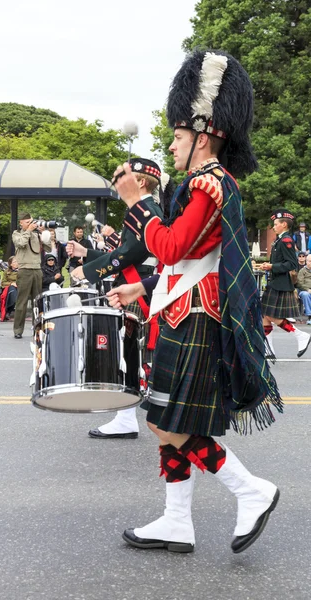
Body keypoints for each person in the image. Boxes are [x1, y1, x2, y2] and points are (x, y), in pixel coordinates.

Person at [107, 50, 282, 554]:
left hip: (195, 318)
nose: (171, 143)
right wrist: (143, 287)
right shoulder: (200, 184)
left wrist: (136, 202)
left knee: (167, 422)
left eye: (178, 136)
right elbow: (187, 258)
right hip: (182, 309)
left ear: (202, 136)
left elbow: (170, 246)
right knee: (167, 424)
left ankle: (252, 491)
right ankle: (175, 521)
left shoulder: (209, 184)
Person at [67, 158, 164, 439]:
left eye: (124, 177)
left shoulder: (146, 209)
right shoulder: (144, 208)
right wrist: (87, 255)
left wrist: (86, 271)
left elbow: (129, 255)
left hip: (137, 286)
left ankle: (135, 416)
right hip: (134, 282)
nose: (118, 183)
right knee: (129, 352)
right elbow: (126, 253)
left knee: (131, 352)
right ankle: (127, 416)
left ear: (141, 182)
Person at [260, 210, 310, 359]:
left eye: (276, 224)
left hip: (280, 284)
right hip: (276, 282)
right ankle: (269, 349)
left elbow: (291, 264)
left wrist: (272, 267)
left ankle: (300, 335)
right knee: (264, 315)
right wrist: (269, 265)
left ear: (284, 225)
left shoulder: (286, 240)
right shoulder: (279, 240)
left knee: (270, 314)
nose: (273, 227)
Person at [12, 213, 44, 339]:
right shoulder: (17, 234)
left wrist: (44, 234)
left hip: (37, 269)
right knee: (22, 302)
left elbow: (47, 247)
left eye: (31, 222)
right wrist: (28, 231)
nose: (31, 224)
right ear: (21, 223)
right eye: (27, 222)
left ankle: (38, 329)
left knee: (37, 302)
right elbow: (21, 243)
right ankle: (18, 330)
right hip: (24, 270)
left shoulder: (36, 234)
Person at [0, 256, 18, 321]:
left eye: (17, 261)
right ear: (11, 264)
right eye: (15, 262)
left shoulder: (21, 271)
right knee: (11, 290)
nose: (17, 263)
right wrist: (11, 284)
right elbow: (3, 283)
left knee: (13, 291)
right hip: (9, 288)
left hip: (20, 287)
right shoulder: (6, 272)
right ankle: (9, 310)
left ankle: (8, 311)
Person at [297, 254, 311, 325]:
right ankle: (309, 315)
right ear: (306, 262)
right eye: (309, 261)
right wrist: (307, 289)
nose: (310, 263)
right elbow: (299, 283)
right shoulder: (302, 271)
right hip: (304, 290)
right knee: (306, 294)